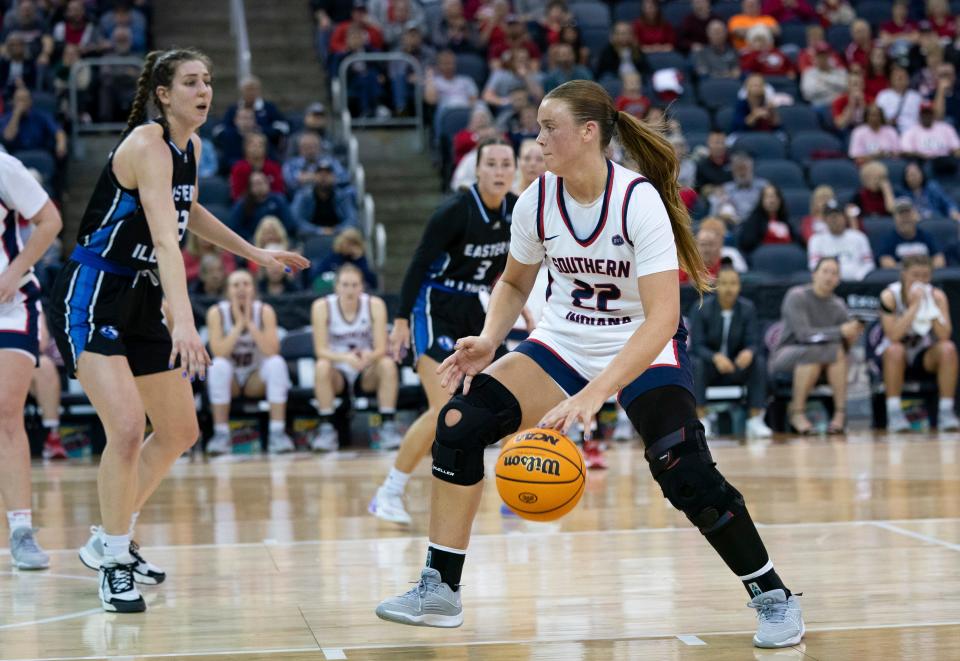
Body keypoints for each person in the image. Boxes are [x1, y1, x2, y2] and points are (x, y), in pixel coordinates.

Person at [375, 80, 805, 649]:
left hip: (643, 342)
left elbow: (659, 319)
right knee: (459, 423)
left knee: (684, 467)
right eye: (537, 126)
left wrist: (596, 392)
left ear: (588, 132)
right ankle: (440, 588)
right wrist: (488, 337)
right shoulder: (537, 199)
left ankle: (771, 596)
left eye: (549, 126)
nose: (538, 137)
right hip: (564, 340)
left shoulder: (637, 200)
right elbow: (513, 281)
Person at [46, 49, 308, 614]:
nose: (204, 89)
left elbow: (189, 214)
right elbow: (169, 241)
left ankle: (108, 536)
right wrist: (184, 322)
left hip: (138, 294)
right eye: (190, 81)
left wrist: (252, 251)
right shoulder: (146, 143)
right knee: (123, 425)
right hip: (94, 290)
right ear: (163, 94)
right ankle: (114, 559)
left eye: (208, 81)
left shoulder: (188, 147)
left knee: (179, 429)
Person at [367, 137, 519, 526]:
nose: (500, 171)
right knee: (442, 409)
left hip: (474, 308)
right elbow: (417, 263)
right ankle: (389, 492)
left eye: (506, 164)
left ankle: (511, 489)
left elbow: (515, 270)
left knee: (497, 400)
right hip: (433, 305)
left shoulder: (516, 210)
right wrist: (401, 320)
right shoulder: (455, 210)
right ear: (477, 170)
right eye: (492, 164)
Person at [0, 151, 62, 570]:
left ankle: (21, 530)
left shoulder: (2, 166)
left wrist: (13, 270)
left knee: (5, 412)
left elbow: (50, 220)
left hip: (10, 303)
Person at [310, 264, 400, 451]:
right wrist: (345, 358)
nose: (349, 290)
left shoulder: (374, 305)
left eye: (354, 285)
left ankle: (388, 426)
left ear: (361, 287)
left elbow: (382, 348)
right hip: (338, 370)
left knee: (387, 364)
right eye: (345, 285)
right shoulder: (322, 306)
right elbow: (320, 350)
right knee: (321, 366)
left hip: (366, 368)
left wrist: (368, 357)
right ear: (336, 287)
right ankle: (327, 429)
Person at [204, 270, 294, 455]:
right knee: (218, 366)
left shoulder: (264, 311)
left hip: (255, 377)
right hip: (232, 380)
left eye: (246, 284)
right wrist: (238, 325)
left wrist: (250, 324)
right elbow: (219, 352)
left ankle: (277, 433)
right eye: (235, 285)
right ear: (228, 291)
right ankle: (221, 435)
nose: (241, 289)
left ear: (253, 288)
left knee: (276, 363)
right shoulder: (217, 313)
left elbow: (271, 350)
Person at [769, 257, 863, 434]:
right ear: (814, 274)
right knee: (815, 352)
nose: (829, 277)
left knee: (836, 351)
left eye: (834, 273)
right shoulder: (797, 296)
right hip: (787, 354)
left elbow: (844, 345)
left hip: (824, 359)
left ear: (838, 280)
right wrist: (840, 331)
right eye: (825, 271)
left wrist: (852, 335)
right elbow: (804, 335)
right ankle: (797, 412)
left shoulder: (839, 305)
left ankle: (839, 414)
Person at [874, 254, 959, 432]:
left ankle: (946, 411)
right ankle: (895, 413)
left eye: (925, 276)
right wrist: (913, 307)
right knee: (895, 350)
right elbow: (893, 336)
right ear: (904, 274)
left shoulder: (937, 296)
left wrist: (930, 306)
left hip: (924, 353)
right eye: (915, 275)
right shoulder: (889, 296)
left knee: (948, 349)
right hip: (895, 355)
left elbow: (944, 335)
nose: (920, 280)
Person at [690, 267, 772, 439]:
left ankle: (755, 419)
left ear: (739, 286)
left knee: (758, 361)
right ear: (716, 285)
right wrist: (715, 357)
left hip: (736, 366)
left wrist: (749, 351)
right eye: (724, 283)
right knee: (696, 362)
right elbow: (697, 345)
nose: (729, 288)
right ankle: (701, 418)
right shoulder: (701, 308)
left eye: (733, 283)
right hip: (710, 367)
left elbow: (754, 341)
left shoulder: (747, 308)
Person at [806, 199, 874, 281]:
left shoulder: (859, 237)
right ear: (825, 220)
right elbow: (813, 265)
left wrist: (860, 275)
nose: (834, 220)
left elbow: (869, 263)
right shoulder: (816, 239)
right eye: (831, 216)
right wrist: (829, 277)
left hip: (856, 282)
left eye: (838, 216)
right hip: (827, 282)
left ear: (844, 217)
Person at [32, 312, 69, 460]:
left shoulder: (28, 297)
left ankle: (52, 436)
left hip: (17, 359)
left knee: (45, 366)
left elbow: (41, 343)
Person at [877, 197, 946, 268]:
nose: (905, 218)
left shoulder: (926, 236)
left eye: (908, 214)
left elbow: (939, 259)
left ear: (915, 216)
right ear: (895, 218)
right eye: (901, 214)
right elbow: (885, 262)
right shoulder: (888, 239)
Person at [737, 183, 801, 256]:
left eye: (775, 196)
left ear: (780, 200)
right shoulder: (754, 221)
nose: (772, 200)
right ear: (761, 200)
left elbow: (799, 242)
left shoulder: (786, 222)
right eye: (768, 197)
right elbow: (746, 243)